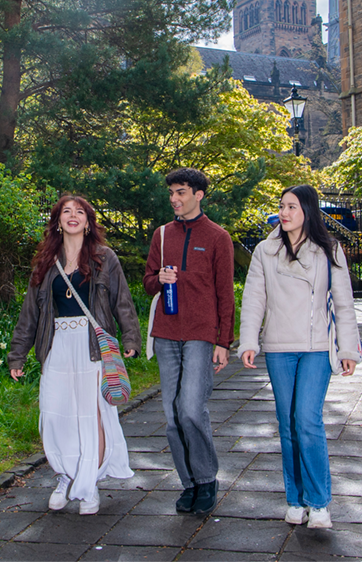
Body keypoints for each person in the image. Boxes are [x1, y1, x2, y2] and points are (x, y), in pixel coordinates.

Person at [8, 195, 141, 514]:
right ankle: (65, 477)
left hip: (91, 347)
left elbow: (122, 301)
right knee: (55, 416)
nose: (72, 216)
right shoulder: (44, 262)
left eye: (79, 212)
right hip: (56, 347)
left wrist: (131, 336)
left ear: (88, 221)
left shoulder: (105, 258)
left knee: (91, 414)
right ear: (57, 220)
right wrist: (18, 354)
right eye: (66, 211)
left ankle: (88, 483)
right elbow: (30, 314)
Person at [238, 185, 361, 530]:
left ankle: (319, 503)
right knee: (287, 424)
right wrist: (249, 340)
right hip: (278, 346)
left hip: (317, 346)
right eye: (281, 206)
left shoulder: (329, 249)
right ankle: (295, 499)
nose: (285, 212)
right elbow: (254, 299)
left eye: (292, 206)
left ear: (307, 210)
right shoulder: (266, 250)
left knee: (307, 420)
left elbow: (343, 302)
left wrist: (348, 348)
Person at [142, 167, 235, 515]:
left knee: (191, 409)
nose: (174, 199)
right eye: (171, 193)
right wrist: (158, 278)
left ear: (198, 194)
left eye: (180, 192)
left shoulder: (217, 237)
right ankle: (190, 483)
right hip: (165, 335)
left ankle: (207, 479)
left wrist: (223, 341)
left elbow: (226, 294)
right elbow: (148, 281)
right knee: (171, 415)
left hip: (200, 335)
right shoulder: (162, 235)